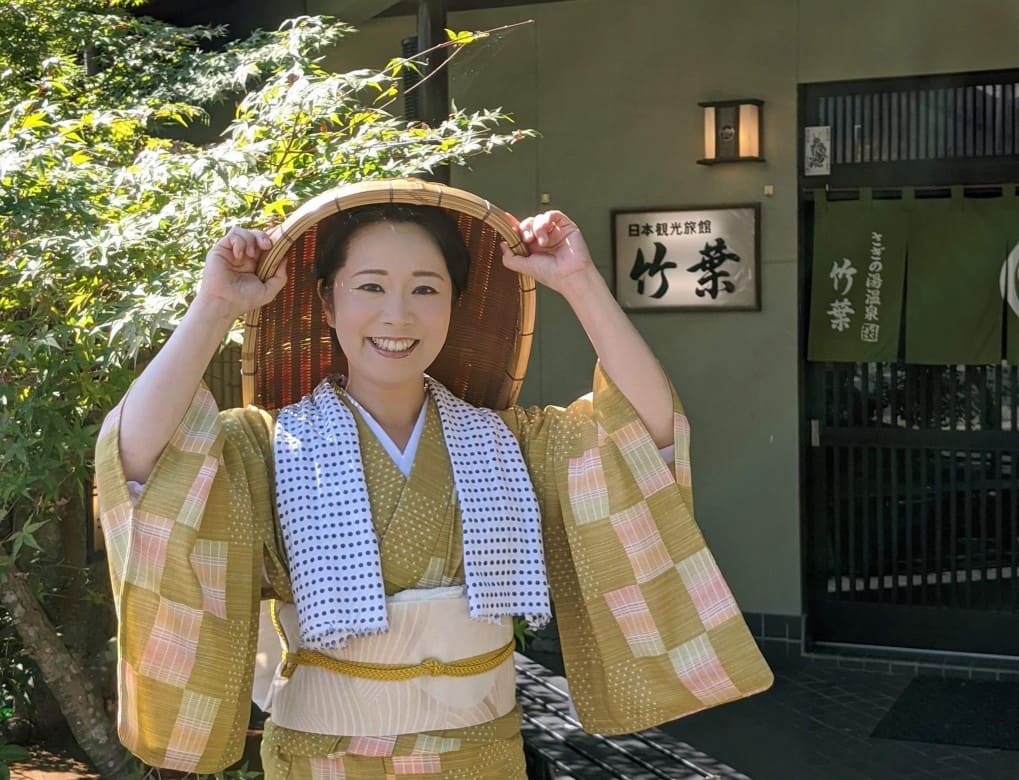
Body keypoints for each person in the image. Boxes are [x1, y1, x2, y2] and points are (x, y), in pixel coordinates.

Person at [95, 179, 771, 779]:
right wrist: (214, 308)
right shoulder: (268, 443)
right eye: (370, 287)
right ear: (327, 303)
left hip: (480, 751)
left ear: (454, 306)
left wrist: (580, 282)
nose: (398, 314)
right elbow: (141, 463)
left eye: (425, 288)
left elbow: (641, 437)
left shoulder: (509, 442)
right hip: (324, 757)